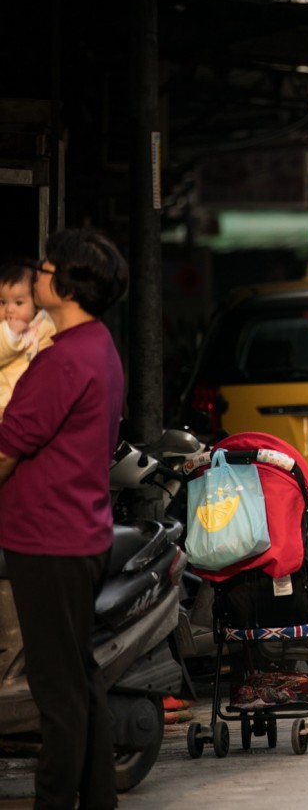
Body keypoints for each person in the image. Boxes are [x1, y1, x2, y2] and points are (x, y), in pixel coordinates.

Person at [0, 230, 128, 808]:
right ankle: (99, 798)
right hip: (78, 534)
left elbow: (8, 447)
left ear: (70, 286)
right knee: (79, 678)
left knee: (57, 690)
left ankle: (54, 801)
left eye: (47, 268)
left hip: (49, 539)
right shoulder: (97, 344)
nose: (38, 275)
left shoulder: (63, 360)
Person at [0, 260, 56, 419]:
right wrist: (9, 334)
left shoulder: (46, 325)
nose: (9, 309)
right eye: (2, 302)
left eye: (19, 302)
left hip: (30, 404)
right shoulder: (3, 330)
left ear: (36, 302)